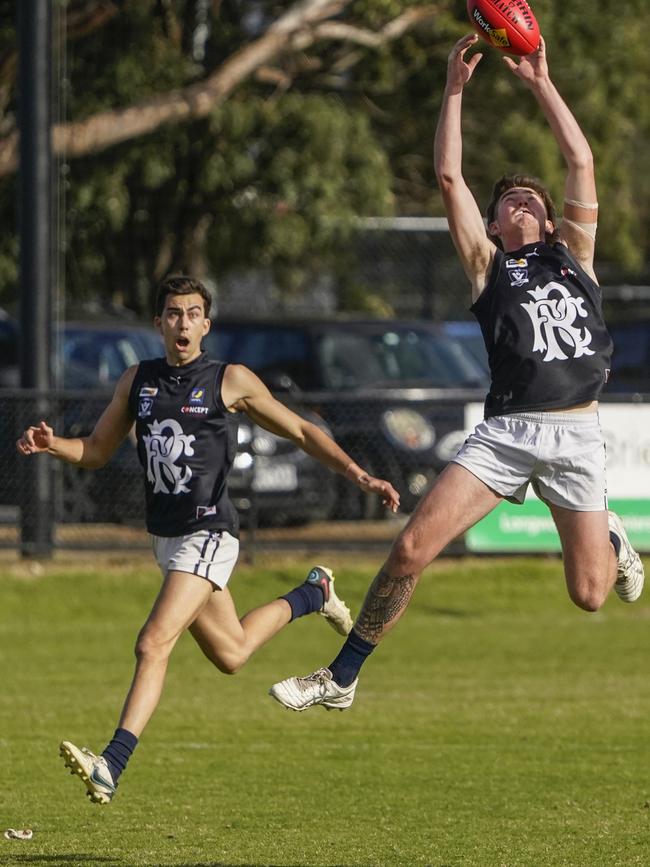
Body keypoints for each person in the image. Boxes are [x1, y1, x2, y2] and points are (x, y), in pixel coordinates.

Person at [268, 34, 645, 713]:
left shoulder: (575, 257)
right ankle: (342, 675)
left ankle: (612, 535)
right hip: (506, 434)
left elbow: (580, 157)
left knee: (590, 594)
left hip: (578, 435)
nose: (522, 204)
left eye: (532, 199)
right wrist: (453, 90)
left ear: (552, 219)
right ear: (495, 222)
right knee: (411, 547)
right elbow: (448, 177)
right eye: (510, 201)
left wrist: (540, 82)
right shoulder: (488, 266)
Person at [16, 275, 400, 803]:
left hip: (209, 533)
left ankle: (112, 763)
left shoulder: (230, 379)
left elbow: (303, 431)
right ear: (158, 323)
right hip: (167, 541)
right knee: (232, 653)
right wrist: (53, 443)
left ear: (206, 324)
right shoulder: (138, 381)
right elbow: (98, 450)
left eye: (193, 314)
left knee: (152, 642)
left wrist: (359, 475)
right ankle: (315, 593)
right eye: (173, 313)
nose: (183, 323)